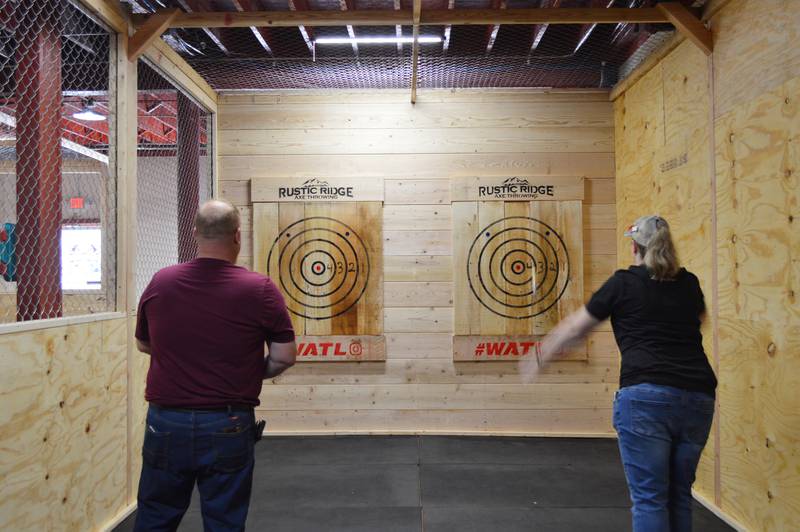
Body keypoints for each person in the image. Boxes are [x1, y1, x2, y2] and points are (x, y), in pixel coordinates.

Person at [521, 215, 717, 532]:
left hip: (646, 396)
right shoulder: (689, 283)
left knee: (650, 499)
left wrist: (542, 353)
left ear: (634, 247)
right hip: (698, 397)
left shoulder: (624, 282)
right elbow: (700, 320)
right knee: (679, 495)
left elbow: (577, 326)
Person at [133, 199, 297, 532]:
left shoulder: (162, 281)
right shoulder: (259, 289)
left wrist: (183, 359)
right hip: (228, 423)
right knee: (225, 521)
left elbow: (144, 342)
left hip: (166, 423)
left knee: (155, 517)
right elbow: (283, 356)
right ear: (238, 236)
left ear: (195, 234)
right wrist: (248, 369)